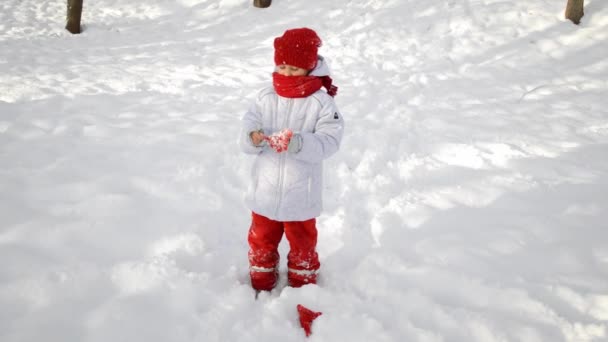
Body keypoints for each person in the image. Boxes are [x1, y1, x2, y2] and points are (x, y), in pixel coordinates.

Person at [239, 27, 344, 291]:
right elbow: (248, 125)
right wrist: (252, 137)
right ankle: (261, 280)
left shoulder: (321, 103)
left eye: (295, 69)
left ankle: (303, 283)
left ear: (310, 68)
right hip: (265, 190)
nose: (286, 73)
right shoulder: (266, 97)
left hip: (301, 194)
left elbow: (329, 141)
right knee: (261, 239)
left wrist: (298, 143)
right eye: (282, 66)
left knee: (302, 243)